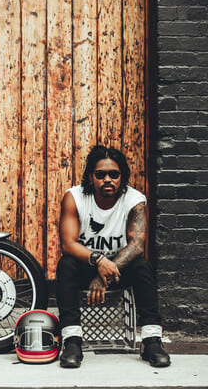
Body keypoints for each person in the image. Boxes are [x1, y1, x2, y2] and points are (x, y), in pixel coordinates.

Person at [56, 145, 171, 368]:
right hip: (86, 267)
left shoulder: (134, 200)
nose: (107, 179)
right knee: (66, 264)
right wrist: (99, 261)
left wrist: (105, 275)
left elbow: (136, 245)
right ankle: (72, 341)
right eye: (100, 174)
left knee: (142, 266)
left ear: (122, 177)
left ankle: (151, 341)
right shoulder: (75, 197)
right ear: (91, 177)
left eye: (114, 174)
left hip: (120, 269)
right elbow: (68, 244)